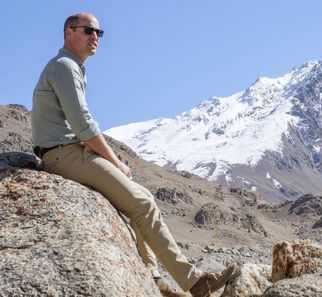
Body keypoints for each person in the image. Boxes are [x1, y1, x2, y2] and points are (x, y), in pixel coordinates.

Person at [31, 12, 236, 297]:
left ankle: (156, 280)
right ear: (69, 32)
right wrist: (115, 161)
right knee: (141, 202)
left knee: (139, 201)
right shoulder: (65, 66)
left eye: (99, 33)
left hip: (66, 152)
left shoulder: (71, 67)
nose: (95, 38)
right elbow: (82, 125)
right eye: (89, 31)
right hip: (63, 154)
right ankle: (196, 283)